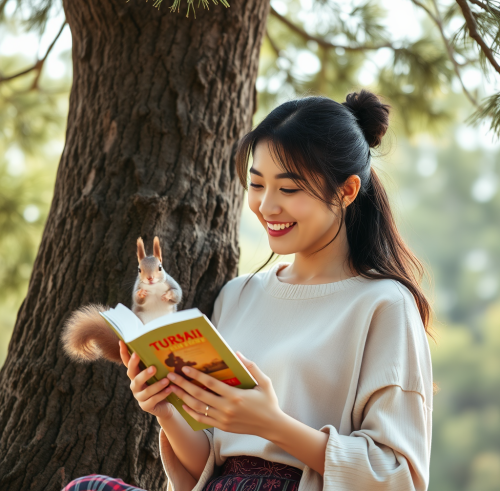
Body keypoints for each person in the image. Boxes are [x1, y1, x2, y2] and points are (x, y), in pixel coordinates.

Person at [63, 89, 433, 491]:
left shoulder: (383, 304)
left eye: (289, 190)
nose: (267, 206)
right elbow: (209, 465)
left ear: (345, 191)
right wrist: (165, 408)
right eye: (257, 185)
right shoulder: (238, 295)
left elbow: (398, 476)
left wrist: (272, 425)